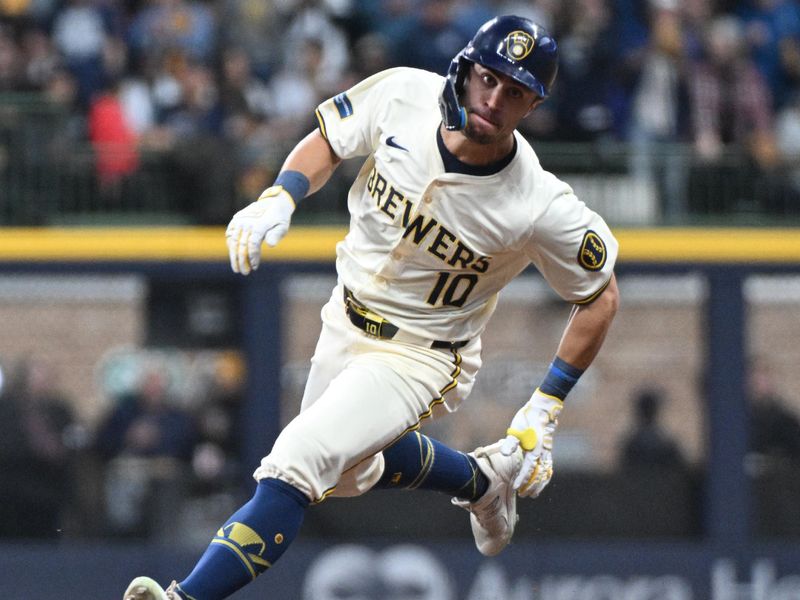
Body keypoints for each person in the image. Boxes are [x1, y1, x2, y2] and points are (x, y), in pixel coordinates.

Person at [123, 15, 619, 600]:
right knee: (349, 475)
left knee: (296, 462)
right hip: (345, 315)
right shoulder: (404, 93)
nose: (494, 99)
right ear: (466, 68)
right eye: (489, 78)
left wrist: (548, 404)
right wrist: (282, 193)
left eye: (515, 92)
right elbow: (330, 140)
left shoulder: (537, 202)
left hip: (422, 353)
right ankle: (483, 480)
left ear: (532, 105)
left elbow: (600, 296)